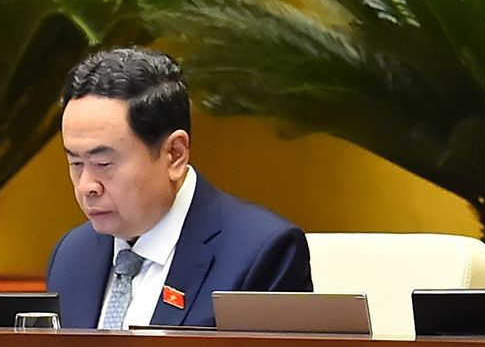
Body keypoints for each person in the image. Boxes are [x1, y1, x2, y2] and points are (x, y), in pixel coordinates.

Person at [46, 47, 312, 328]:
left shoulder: (262, 253)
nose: (87, 186)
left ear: (174, 154)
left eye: (103, 163)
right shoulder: (71, 255)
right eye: (75, 163)